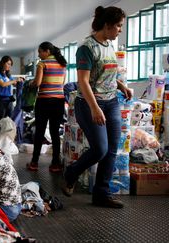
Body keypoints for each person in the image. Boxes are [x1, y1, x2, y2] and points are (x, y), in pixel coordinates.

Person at [62, 6, 132, 208]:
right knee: (100, 149)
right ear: (107, 25)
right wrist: (94, 108)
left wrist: (121, 86)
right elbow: (83, 82)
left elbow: (107, 73)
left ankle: (102, 193)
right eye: (118, 26)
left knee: (111, 149)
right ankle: (71, 173)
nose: (120, 30)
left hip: (112, 102)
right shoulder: (87, 47)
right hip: (89, 103)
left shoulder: (109, 45)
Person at [27, 42, 67, 173]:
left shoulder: (42, 64)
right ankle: (55, 163)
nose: (39, 55)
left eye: (40, 52)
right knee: (55, 133)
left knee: (40, 131)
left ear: (47, 51)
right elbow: (62, 83)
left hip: (44, 101)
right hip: (58, 102)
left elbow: (37, 82)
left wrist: (30, 84)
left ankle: (34, 163)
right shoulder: (63, 64)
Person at [0, 56, 23, 123]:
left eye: (10, 65)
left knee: (9, 119)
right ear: (3, 63)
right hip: (1, 100)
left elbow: (14, 84)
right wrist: (14, 81)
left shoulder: (8, 75)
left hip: (9, 100)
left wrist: (19, 81)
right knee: (0, 120)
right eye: (8, 64)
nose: (9, 66)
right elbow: (3, 84)